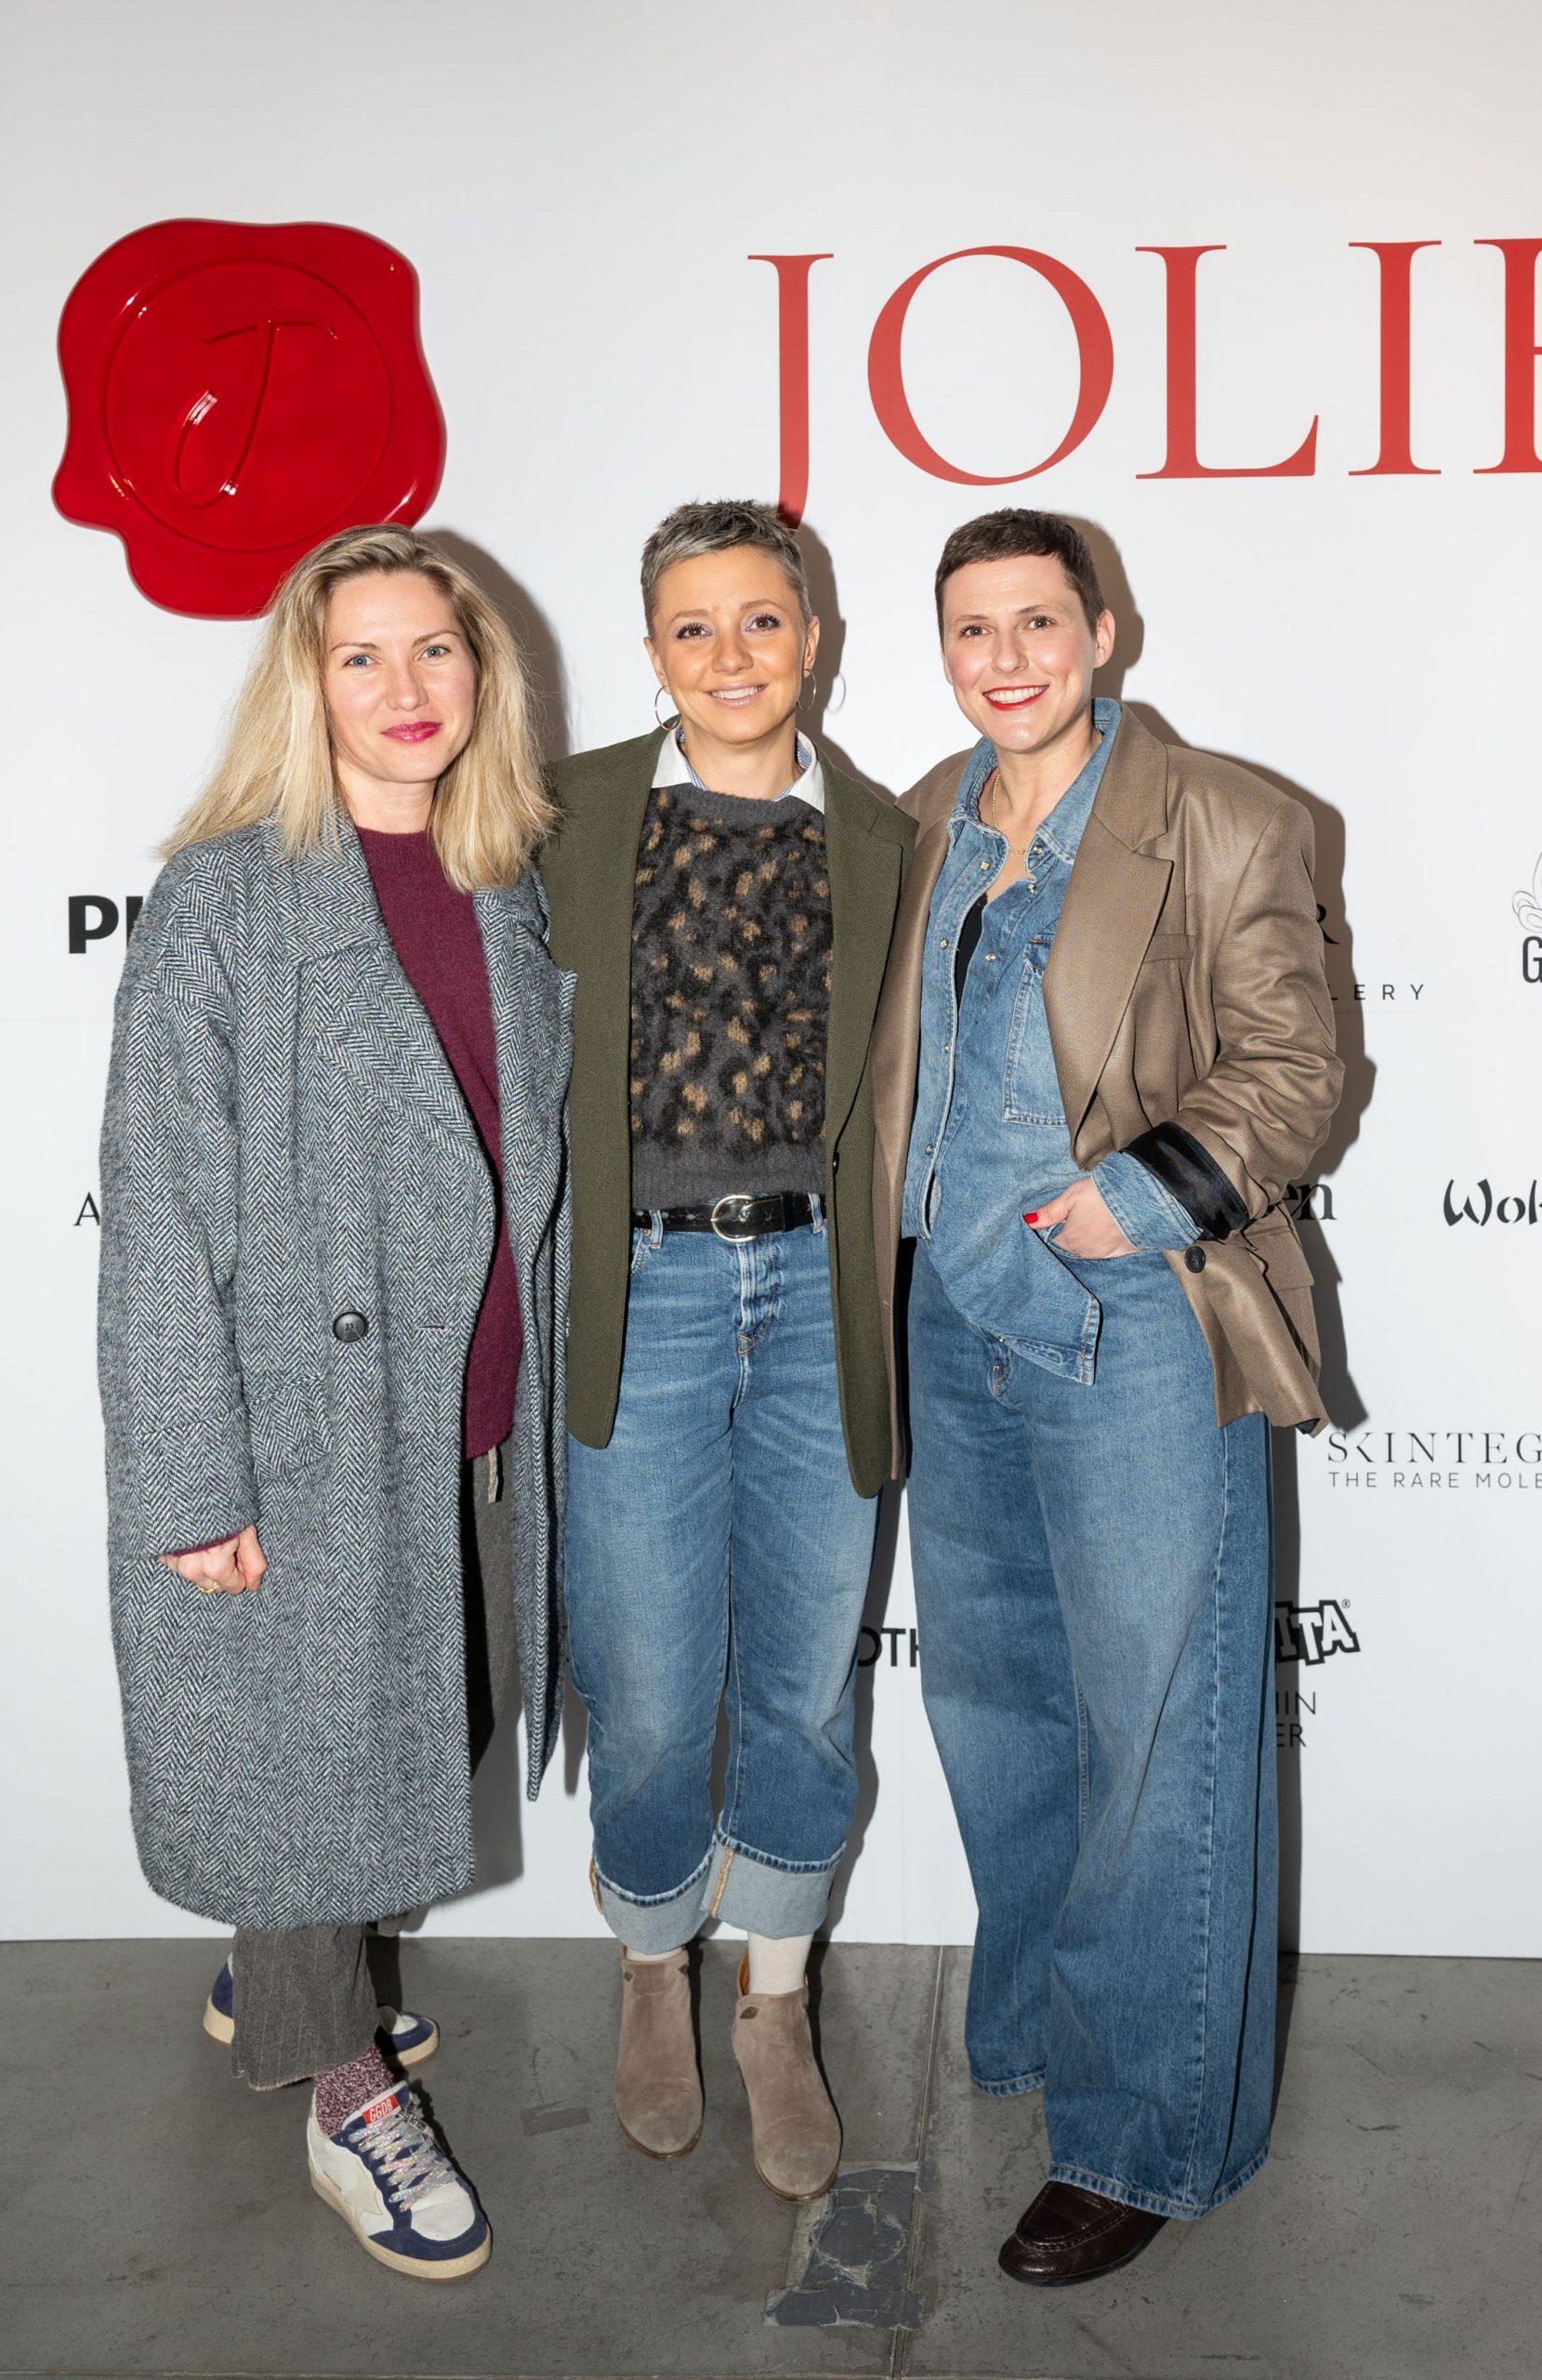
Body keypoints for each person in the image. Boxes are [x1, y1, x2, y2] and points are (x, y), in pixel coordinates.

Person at [870, 509, 1343, 2285]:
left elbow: (1296, 1067)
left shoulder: (1224, 817)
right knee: (999, 1706)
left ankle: (1147, 2133)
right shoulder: (921, 815)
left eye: (1037, 622)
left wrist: (1135, 1199)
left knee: (1156, 1731)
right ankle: (1047, 2025)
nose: (1007, 659)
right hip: (953, 1318)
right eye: (972, 629)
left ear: (1103, 631)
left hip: (1136, 1314)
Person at [98, 523, 573, 2280]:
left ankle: (283, 1970)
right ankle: (342, 2086)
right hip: (307, 1428)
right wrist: (190, 1478)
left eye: (435, 649)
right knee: (312, 1758)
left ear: (482, 672)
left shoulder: (508, 880)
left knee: (418, 1729)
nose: (404, 687)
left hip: (478, 1401)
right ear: (306, 686)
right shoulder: (229, 896)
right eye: (359, 656)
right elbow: (159, 1209)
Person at [539, 499, 914, 2201]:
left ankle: (774, 1995)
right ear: (652, 651)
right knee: (646, 1674)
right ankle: (648, 1965)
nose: (733, 655)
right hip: (644, 1297)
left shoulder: (889, 835)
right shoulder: (566, 815)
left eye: (763, 619)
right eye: (694, 626)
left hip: (821, 1287)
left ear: (813, 639)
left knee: (805, 1673)